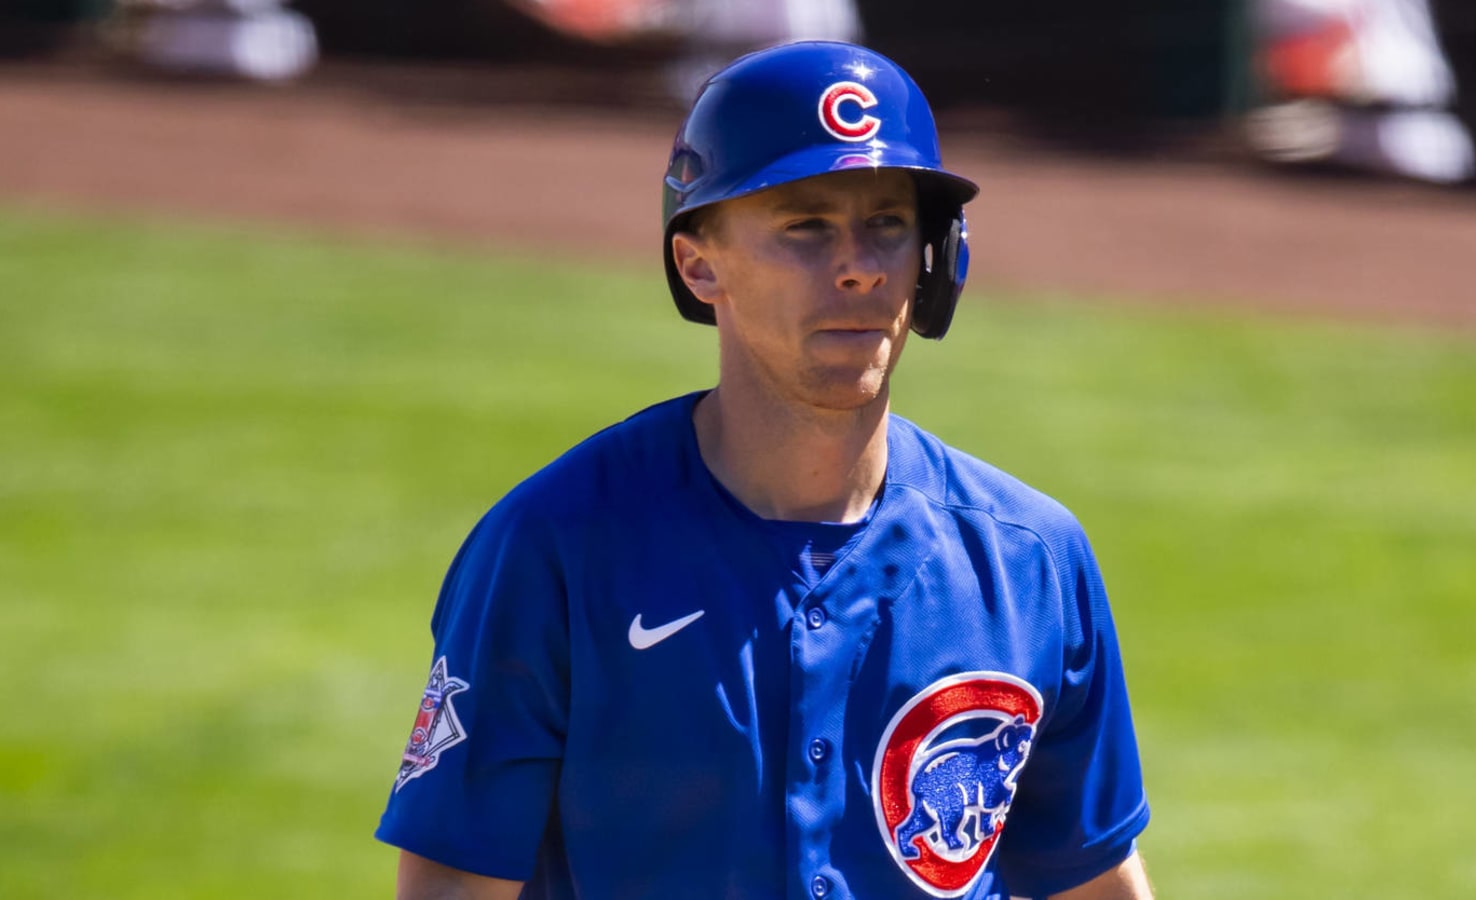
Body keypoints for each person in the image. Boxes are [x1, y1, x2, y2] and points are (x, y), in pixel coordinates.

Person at [376, 40, 1153, 900]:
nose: (859, 266)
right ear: (699, 264)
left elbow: (1093, 878)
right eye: (806, 227)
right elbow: (453, 883)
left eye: (886, 225)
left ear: (936, 258)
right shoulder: (557, 546)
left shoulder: (1029, 562)